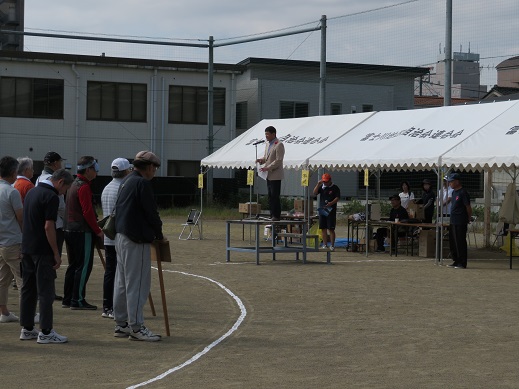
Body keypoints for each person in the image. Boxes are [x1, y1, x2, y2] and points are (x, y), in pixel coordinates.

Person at [112, 151, 165, 341]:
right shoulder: (142, 183)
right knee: (138, 284)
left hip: (121, 236)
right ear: (150, 167)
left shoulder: (127, 180)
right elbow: (151, 213)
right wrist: (159, 235)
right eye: (155, 168)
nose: (155, 172)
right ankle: (136, 327)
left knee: (122, 283)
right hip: (136, 239)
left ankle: (121, 324)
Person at [19, 169, 73, 343]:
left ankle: (27, 328)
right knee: (45, 292)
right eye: (65, 189)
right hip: (42, 250)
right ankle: (46, 331)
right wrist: (56, 252)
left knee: (28, 289)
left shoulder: (32, 192)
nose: (63, 193)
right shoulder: (51, 197)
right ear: (60, 182)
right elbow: (49, 226)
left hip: (27, 247)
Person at [63, 156, 103, 310]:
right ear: (88, 170)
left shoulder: (73, 184)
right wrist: (97, 230)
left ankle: (68, 298)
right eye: (95, 169)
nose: (96, 173)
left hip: (69, 229)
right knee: (84, 266)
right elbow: (87, 212)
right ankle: (77, 300)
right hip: (81, 231)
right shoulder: (84, 186)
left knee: (73, 265)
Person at [100, 158, 132, 319]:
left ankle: (107, 306)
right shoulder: (122, 187)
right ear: (126, 171)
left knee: (110, 272)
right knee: (118, 274)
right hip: (119, 236)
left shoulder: (106, 187)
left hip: (108, 236)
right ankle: (112, 306)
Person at [36, 152, 67, 302]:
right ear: (54, 163)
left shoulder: (38, 178)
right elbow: (60, 206)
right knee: (53, 259)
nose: (60, 164)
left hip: (41, 223)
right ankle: (49, 291)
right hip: (54, 223)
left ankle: (47, 289)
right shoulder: (53, 180)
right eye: (59, 162)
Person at [0, 156, 23, 323]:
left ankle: (4, 312)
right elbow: (21, 218)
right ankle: (28, 314)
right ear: (14, 172)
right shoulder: (12, 191)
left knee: (2, 279)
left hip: (1, 242)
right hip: (13, 241)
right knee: (23, 279)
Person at [255, 126, 285, 220]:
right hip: (268, 174)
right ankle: (272, 214)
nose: (266, 136)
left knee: (275, 195)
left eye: (268, 134)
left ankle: (276, 215)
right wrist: (261, 160)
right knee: (270, 196)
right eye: (265, 134)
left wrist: (268, 167)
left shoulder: (279, 144)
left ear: (274, 134)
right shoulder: (268, 144)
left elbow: (278, 160)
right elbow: (266, 158)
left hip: (275, 174)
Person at [447, 173, 472, 269]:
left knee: (460, 241)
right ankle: (456, 260)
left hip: (460, 220)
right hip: (453, 220)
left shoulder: (463, 192)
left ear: (457, 181)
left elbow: (468, 207)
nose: (450, 183)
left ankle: (462, 262)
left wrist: (468, 217)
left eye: (451, 181)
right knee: (453, 241)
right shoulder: (453, 193)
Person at [313, 173, 340, 251]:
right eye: (324, 181)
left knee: (331, 228)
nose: (325, 183)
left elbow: (337, 197)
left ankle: (332, 245)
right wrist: (318, 184)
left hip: (331, 210)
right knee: (323, 228)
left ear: (330, 180)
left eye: (326, 181)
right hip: (323, 209)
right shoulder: (322, 187)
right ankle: (324, 244)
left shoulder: (335, 188)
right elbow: (314, 193)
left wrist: (331, 203)